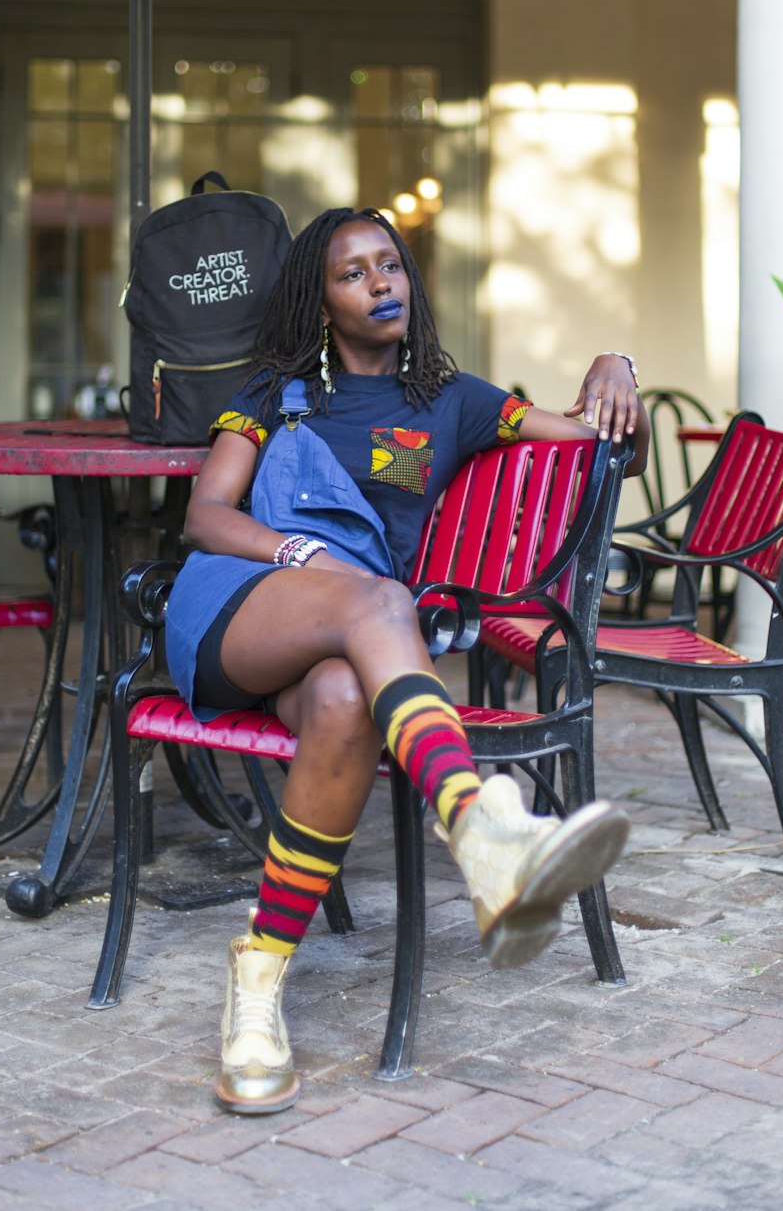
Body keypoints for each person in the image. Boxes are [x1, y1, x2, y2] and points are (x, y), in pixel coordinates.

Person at [166, 206, 650, 1116]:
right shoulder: (273, 391)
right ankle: (479, 828)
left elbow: (598, 443)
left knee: (348, 695)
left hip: (351, 643)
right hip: (240, 608)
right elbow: (206, 517)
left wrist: (616, 365)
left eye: (390, 265)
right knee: (383, 600)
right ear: (321, 303)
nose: (380, 282)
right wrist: (299, 557)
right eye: (353, 274)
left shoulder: (455, 401)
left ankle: (258, 984)